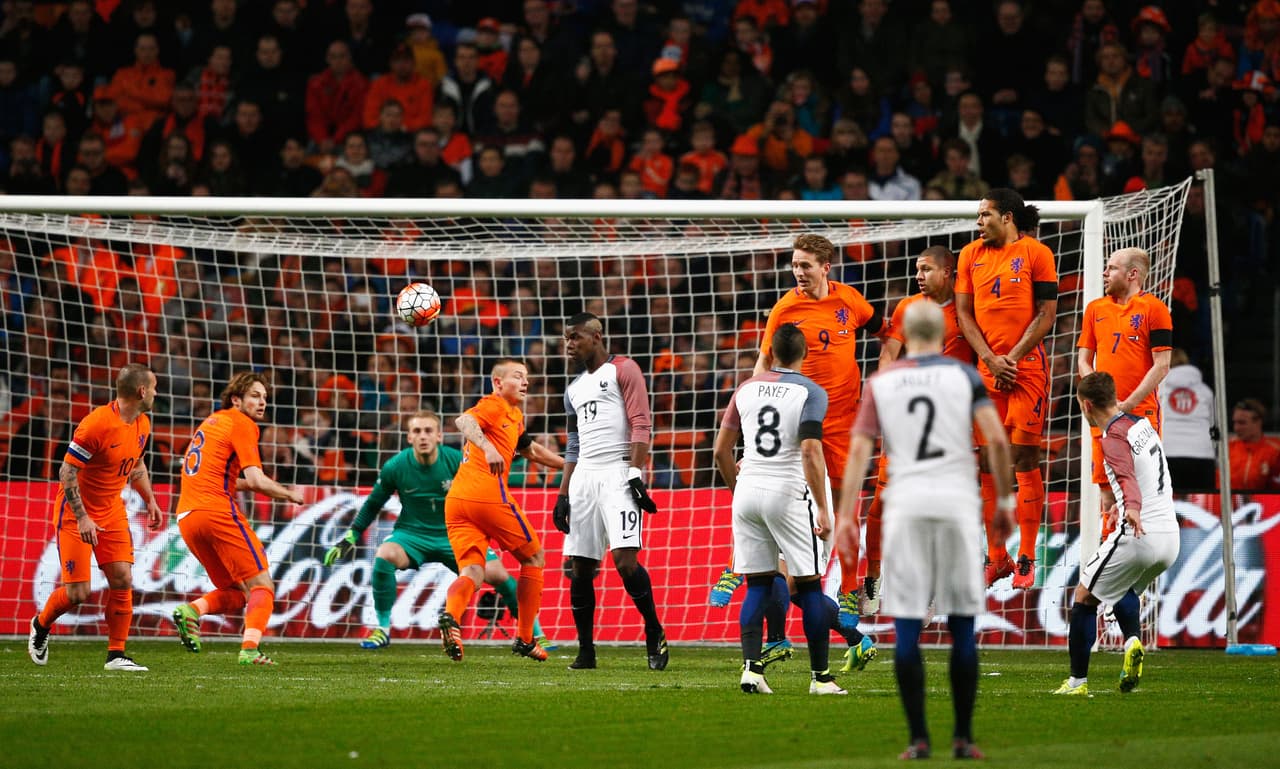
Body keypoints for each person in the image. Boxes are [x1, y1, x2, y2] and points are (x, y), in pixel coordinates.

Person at [837, 300, 1015, 760]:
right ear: (943, 334)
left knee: (909, 628)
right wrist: (1006, 501)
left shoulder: (882, 381)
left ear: (904, 335)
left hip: (906, 506)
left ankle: (917, 739)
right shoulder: (965, 376)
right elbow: (996, 438)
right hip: (956, 503)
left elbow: (860, 449)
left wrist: (844, 517)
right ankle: (963, 737)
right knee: (962, 626)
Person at [714, 324, 876, 696]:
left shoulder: (745, 388)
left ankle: (752, 670)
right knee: (809, 585)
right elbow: (809, 451)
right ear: (806, 355)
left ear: (768, 353)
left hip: (748, 490)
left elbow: (721, 451)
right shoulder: (811, 391)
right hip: (788, 491)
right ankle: (820, 678)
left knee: (756, 584)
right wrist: (822, 506)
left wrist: (737, 491)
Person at [323, 410, 552, 649]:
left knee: (501, 576)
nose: (423, 436)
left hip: (455, 534)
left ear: (439, 436)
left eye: (428, 431)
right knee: (384, 555)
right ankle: (382, 629)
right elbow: (373, 504)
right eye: (417, 431)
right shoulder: (396, 466)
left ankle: (534, 632)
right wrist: (349, 537)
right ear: (409, 437)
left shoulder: (455, 460)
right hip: (412, 535)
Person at [27, 364, 164, 671]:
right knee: (78, 593)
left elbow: (137, 466)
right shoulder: (97, 424)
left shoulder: (143, 423)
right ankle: (40, 624)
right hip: (77, 514)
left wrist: (150, 499)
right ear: (142, 391)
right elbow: (66, 471)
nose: (156, 393)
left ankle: (116, 655)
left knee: (123, 579)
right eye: (154, 387)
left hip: (113, 510)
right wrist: (84, 518)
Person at [861, 245, 975, 614]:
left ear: (948, 272)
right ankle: (873, 576)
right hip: (907, 417)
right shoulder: (906, 308)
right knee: (882, 501)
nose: (918, 276)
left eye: (926, 269)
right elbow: (889, 353)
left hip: (952, 425)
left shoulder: (966, 310)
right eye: (916, 270)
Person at [955, 188, 1057, 590]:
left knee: (1023, 459)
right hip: (988, 372)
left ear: (1008, 218)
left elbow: (1047, 314)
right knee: (986, 462)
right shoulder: (969, 256)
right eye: (978, 215)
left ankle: (1027, 556)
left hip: (1026, 369)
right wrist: (991, 360)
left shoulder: (1037, 254)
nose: (979, 222)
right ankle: (997, 558)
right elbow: (964, 314)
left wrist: (1010, 359)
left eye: (985, 215)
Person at [1055, 371, 1179, 696]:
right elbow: (1147, 473)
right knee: (1121, 590)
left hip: (1141, 533)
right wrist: (1123, 505)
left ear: (1085, 404)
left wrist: (1132, 508)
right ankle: (1133, 641)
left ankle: (1077, 683)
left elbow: (1127, 479)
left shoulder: (1111, 438)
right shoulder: (1142, 425)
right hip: (1170, 537)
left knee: (1083, 598)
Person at [557, 313, 669, 671]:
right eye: (566, 339)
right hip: (584, 477)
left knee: (624, 562)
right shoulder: (573, 389)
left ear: (596, 336)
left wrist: (635, 472)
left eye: (575, 337)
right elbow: (573, 444)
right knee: (581, 567)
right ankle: (586, 651)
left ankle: (654, 631)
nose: (569, 344)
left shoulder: (624, 369)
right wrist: (562, 493)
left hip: (618, 471)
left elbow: (641, 421)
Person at [170, 372, 305, 667]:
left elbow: (228, 478)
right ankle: (249, 650)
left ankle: (192, 610)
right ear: (236, 399)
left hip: (186, 517)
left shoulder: (212, 422)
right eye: (255, 396)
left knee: (237, 592)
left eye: (265, 398)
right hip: (216, 512)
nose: (262, 403)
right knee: (263, 586)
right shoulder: (243, 423)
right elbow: (255, 480)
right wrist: (287, 494)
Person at [437, 359, 565, 662]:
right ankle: (525, 637)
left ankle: (451, 617)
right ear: (497, 383)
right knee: (534, 558)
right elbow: (463, 422)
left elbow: (530, 450)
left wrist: (569, 464)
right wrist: (489, 448)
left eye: (527, 377)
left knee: (473, 571)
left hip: (457, 501)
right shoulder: (493, 405)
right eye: (517, 377)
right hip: (487, 495)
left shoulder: (514, 415)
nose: (525, 382)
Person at [1077, 247, 1172, 534]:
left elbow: (1162, 364)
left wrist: (1127, 404)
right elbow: (1083, 360)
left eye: (1111, 268)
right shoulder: (1095, 309)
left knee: (1142, 494)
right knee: (1108, 497)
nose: (1104, 273)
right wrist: (1100, 399)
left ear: (1132, 274)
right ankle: (1111, 563)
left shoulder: (1154, 309)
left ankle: (1142, 571)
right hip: (1105, 416)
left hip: (1140, 416)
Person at [1159, 349, 1216, 491]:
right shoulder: (1205, 391)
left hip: (1167, 451)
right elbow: (1214, 423)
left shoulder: (1158, 390)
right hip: (1202, 453)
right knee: (1200, 500)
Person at [1227, 398, 1280, 491]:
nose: (1236, 428)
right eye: (1234, 422)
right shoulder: (1228, 447)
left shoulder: (1275, 451)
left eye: (1242, 423)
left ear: (1258, 422)